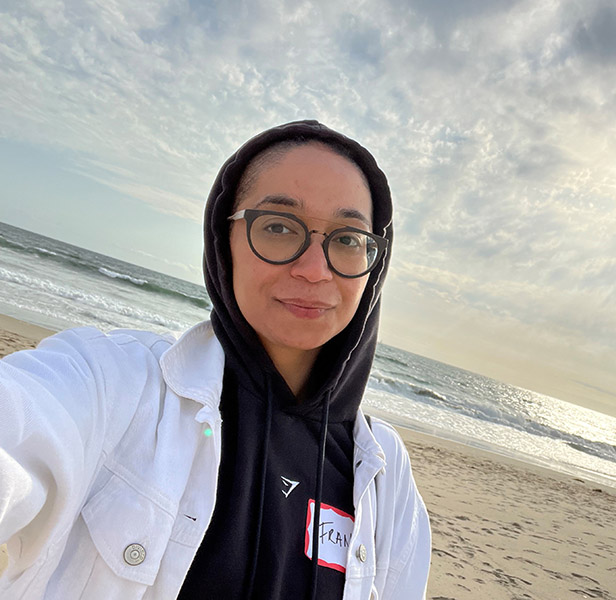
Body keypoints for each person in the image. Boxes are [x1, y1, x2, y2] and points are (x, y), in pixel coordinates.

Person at [0, 120, 431, 599]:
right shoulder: (114, 383)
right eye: (278, 227)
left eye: (348, 238)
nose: (314, 269)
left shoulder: (384, 474)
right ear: (224, 239)